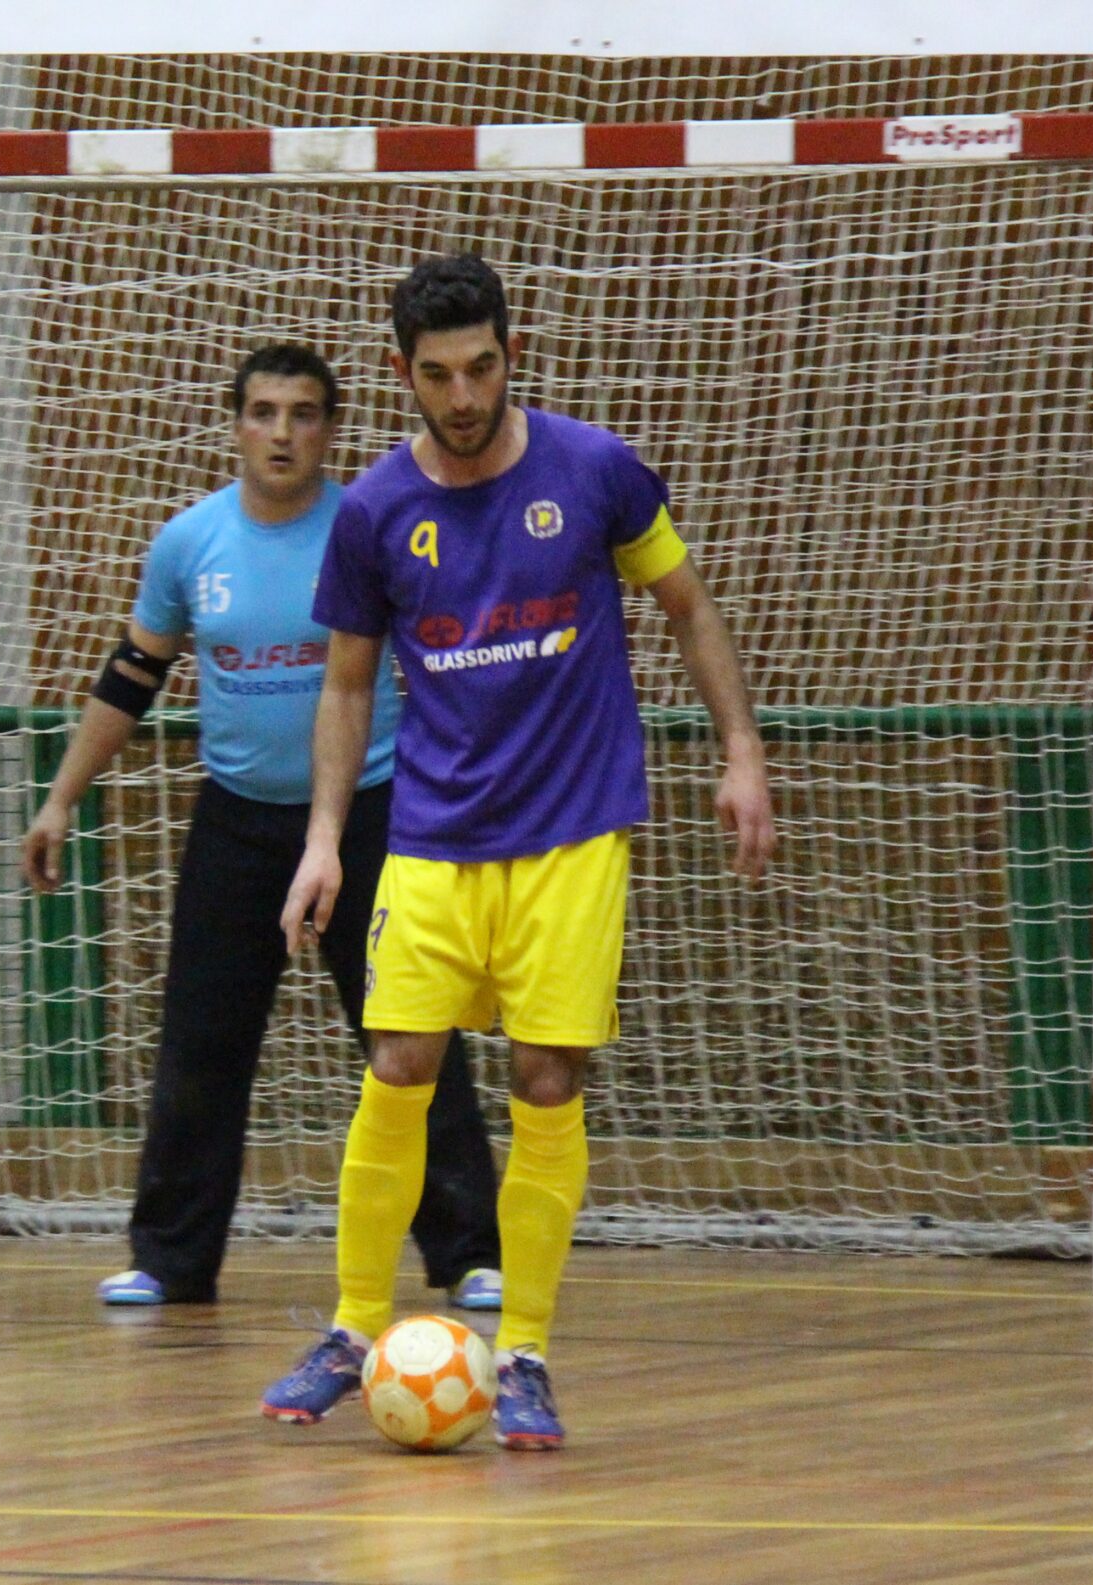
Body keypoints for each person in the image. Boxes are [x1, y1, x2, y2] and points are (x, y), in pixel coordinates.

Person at [263, 256, 775, 1448]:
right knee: (398, 1058)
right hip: (437, 833)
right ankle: (350, 1328)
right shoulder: (375, 511)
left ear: (508, 353)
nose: (463, 393)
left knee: (547, 1078)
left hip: (574, 832)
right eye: (437, 375)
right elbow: (345, 684)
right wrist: (325, 839)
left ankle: (528, 1349)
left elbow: (687, 607)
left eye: (482, 366)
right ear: (403, 375)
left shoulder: (594, 472)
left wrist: (738, 751)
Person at [23, 343, 504, 1319]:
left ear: (329, 428)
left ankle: (467, 1252)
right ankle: (169, 1259)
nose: (281, 431)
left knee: (409, 1033)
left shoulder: (368, 527)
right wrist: (61, 794)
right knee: (201, 1041)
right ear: (235, 423)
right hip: (236, 822)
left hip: (373, 813)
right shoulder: (188, 544)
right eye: (262, 412)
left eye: (302, 413)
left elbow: (443, 664)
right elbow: (132, 675)